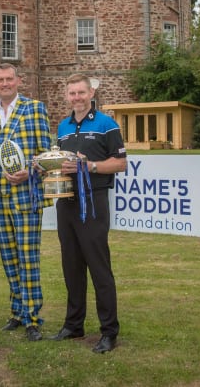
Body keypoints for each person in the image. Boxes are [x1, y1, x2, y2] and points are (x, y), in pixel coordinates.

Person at [49, 74, 126, 353]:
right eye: (72, 93)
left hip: (93, 202)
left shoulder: (107, 124)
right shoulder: (63, 127)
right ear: (66, 95)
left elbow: (120, 164)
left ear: (90, 93)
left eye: (80, 93)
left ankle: (109, 331)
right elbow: (60, 164)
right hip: (67, 202)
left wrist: (89, 166)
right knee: (71, 266)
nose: (76, 98)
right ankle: (73, 325)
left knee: (98, 267)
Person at [0, 63, 52, 341]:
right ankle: (17, 312)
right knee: (9, 258)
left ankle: (33, 318)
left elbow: (46, 153)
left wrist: (31, 170)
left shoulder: (35, 108)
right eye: (0, 79)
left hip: (26, 196)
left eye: (10, 79)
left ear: (18, 81)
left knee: (28, 258)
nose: (5, 83)